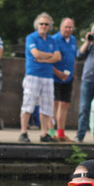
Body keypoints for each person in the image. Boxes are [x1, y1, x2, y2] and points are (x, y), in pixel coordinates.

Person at [19, 13, 60, 143]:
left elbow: (58, 57)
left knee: (47, 106)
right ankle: (23, 132)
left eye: (46, 24)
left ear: (50, 26)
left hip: (48, 76)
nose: (43, 26)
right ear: (37, 25)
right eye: (41, 23)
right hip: (33, 75)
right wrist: (50, 56)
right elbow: (35, 53)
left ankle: (44, 134)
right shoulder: (31, 37)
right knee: (28, 104)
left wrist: (43, 59)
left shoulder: (52, 40)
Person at [51, 18, 77, 142]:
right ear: (60, 27)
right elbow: (49, 60)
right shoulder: (53, 39)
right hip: (55, 77)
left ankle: (61, 133)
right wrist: (57, 72)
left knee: (64, 105)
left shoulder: (73, 40)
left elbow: (73, 57)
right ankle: (51, 133)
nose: (68, 30)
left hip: (68, 78)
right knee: (53, 105)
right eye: (66, 27)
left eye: (70, 27)